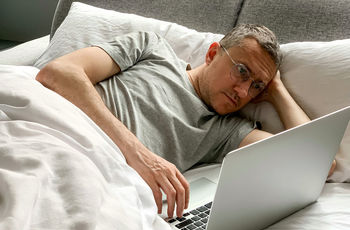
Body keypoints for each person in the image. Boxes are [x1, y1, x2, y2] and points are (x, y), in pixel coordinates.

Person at [35, 24, 335, 219]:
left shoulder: (225, 131)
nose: (244, 91)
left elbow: (317, 162)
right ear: (213, 53)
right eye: (242, 71)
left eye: (257, 86)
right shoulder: (151, 48)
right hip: (53, 129)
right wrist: (138, 154)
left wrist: (277, 91)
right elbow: (59, 73)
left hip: (94, 180)